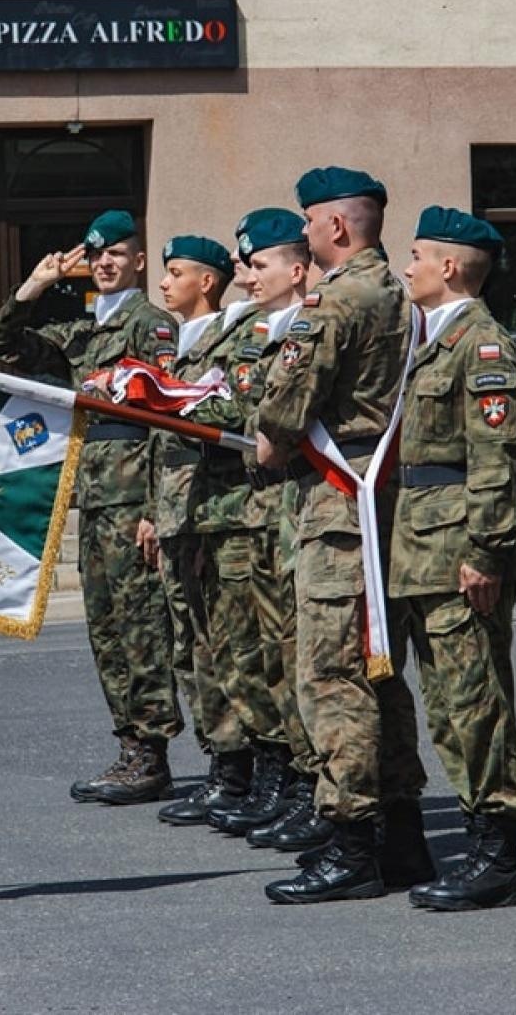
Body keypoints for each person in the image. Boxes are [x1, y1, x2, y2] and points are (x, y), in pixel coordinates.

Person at [255, 167, 428, 903]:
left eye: (308, 223)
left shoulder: (334, 299)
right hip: (383, 500)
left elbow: (285, 410)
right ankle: (404, 835)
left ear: (336, 227)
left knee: (333, 676)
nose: (303, 235)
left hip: (335, 506)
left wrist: (268, 439)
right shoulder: (400, 294)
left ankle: (352, 841)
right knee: (381, 671)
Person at [0, 210, 180, 805]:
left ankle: (151, 753)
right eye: (97, 256)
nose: (105, 263)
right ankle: (129, 747)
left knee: (143, 627)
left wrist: (155, 506)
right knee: (107, 629)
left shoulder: (153, 327)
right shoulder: (82, 333)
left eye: (117, 254)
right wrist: (32, 288)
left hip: (132, 502)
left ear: (138, 261)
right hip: (93, 500)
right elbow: (3, 349)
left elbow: (166, 422)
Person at [386, 206, 516, 912]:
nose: (405, 266)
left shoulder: (482, 347)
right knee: (448, 707)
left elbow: (498, 459)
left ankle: (497, 852)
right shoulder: (431, 343)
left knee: (476, 703)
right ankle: (478, 842)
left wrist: (486, 550)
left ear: (449, 266)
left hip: (457, 551)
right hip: (420, 545)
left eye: (416, 254)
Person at [182, 215, 310, 838]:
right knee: (249, 653)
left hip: (279, 513)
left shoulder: (306, 330)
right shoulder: (257, 329)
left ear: (297, 268)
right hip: (248, 510)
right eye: (245, 264)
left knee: (283, 654)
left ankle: (295, 778)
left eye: (257, 265)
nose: (246, 274)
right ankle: (273, 771)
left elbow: (262, 413)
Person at [143, 235, 256, 826]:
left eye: (175, 272)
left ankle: (238, 768)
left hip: (216, 511)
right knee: (189, 645)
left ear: (207, 282)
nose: (164, 283)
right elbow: (158, 448)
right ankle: (219, 759)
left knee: (225, 647)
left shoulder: (228, 340)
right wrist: (149, 512)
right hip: (174, 513)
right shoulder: (173, 345)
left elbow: (220, 419)